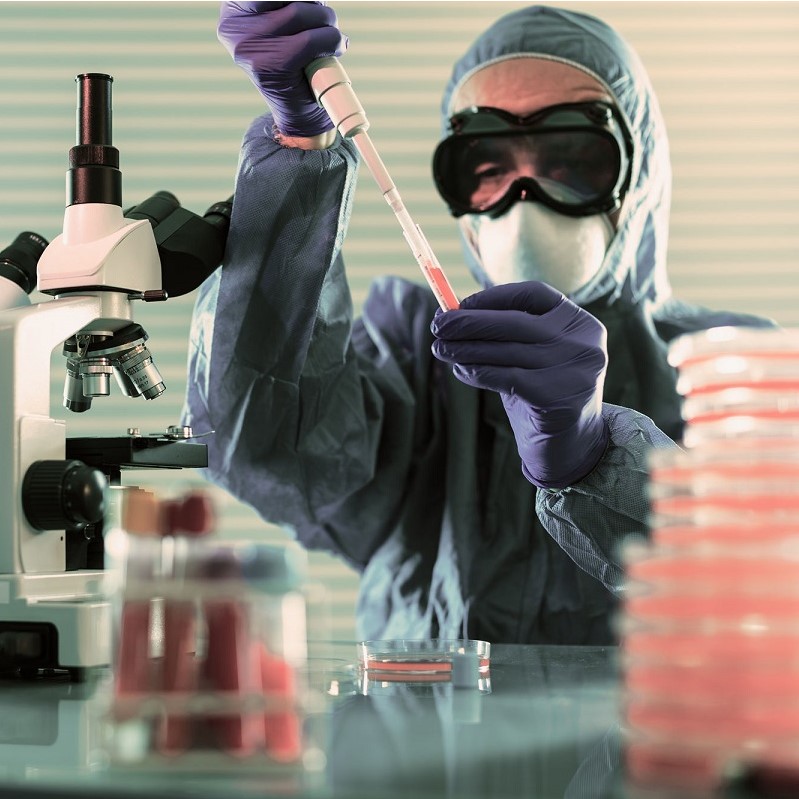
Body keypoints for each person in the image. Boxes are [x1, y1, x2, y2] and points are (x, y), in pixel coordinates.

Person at [183, 2, 773, 644]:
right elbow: (260, 445)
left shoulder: (735, 370)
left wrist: (601, 459)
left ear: (640, 176)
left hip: (663, 713)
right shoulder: (417, 354)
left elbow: (764, 589)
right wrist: (302, 154)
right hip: (427, 713)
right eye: (488, 167)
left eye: (572, 160)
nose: (524, 196)